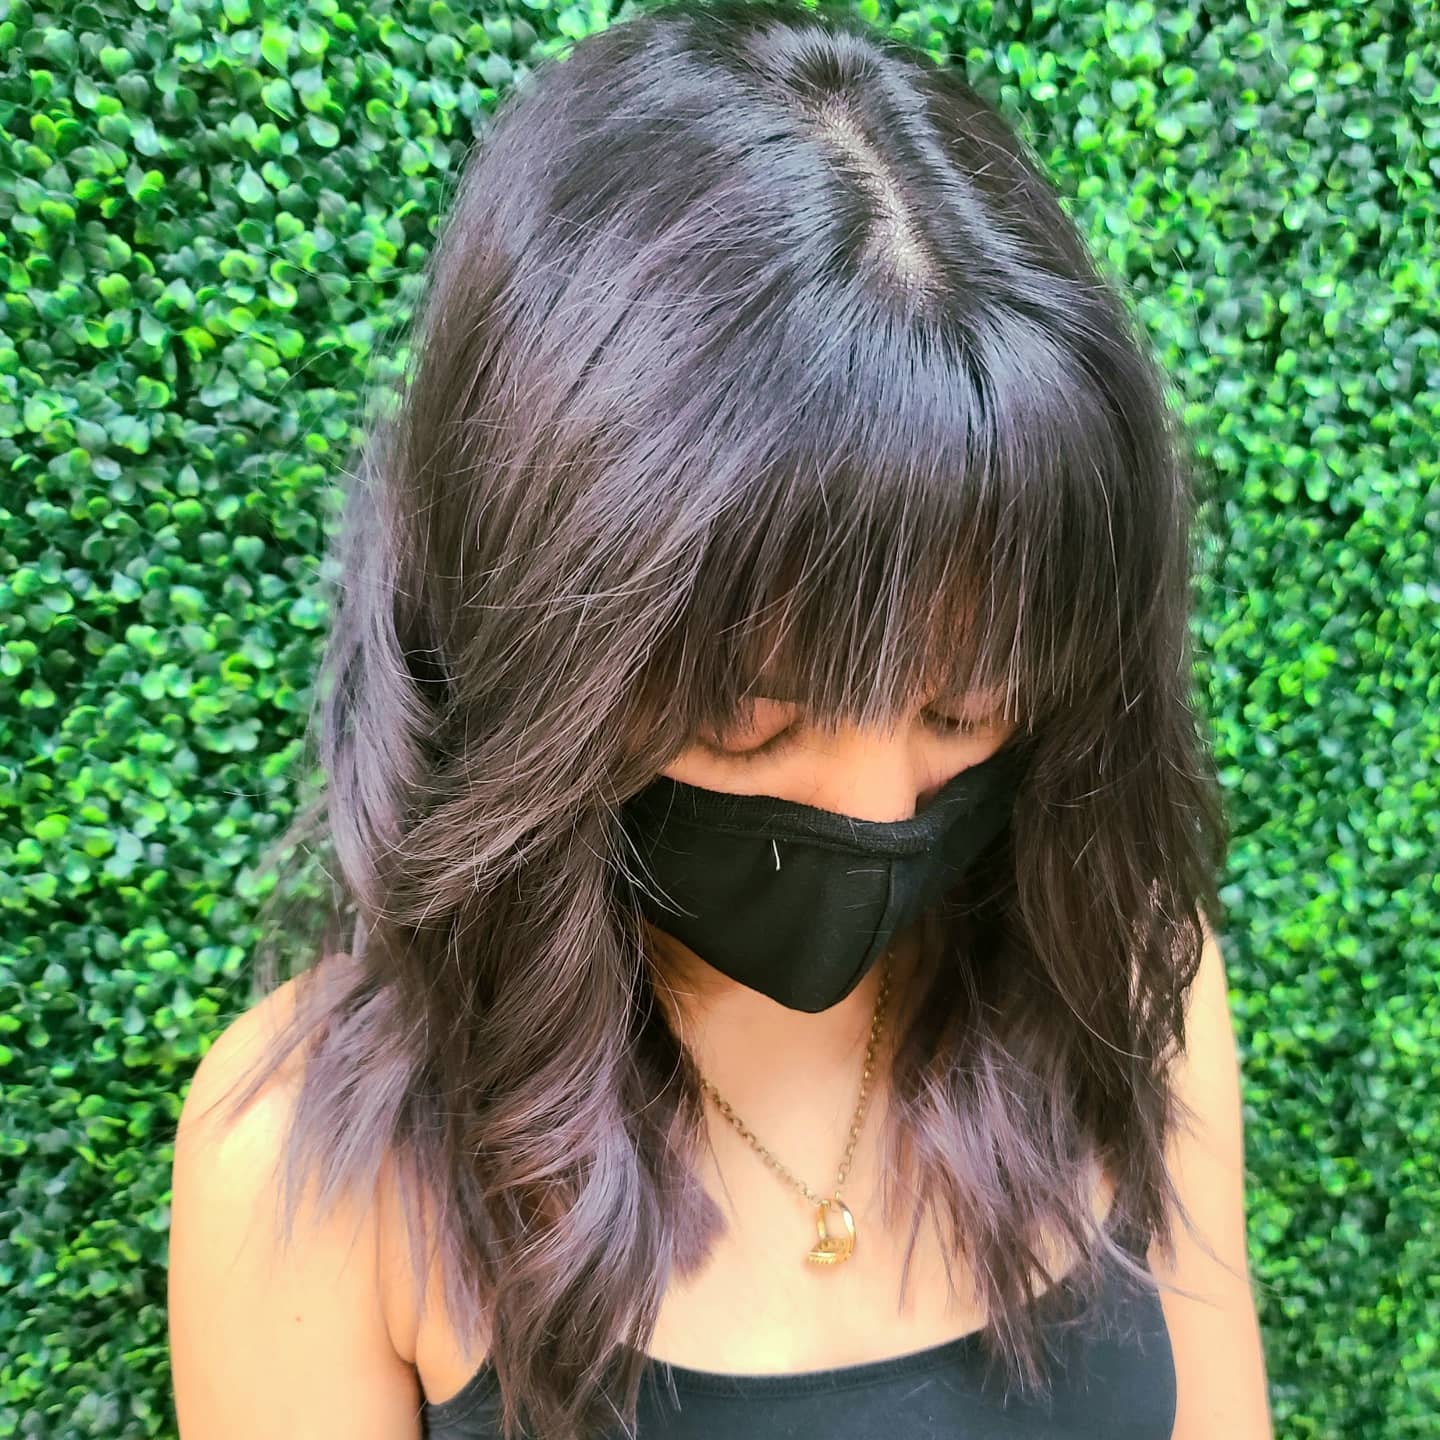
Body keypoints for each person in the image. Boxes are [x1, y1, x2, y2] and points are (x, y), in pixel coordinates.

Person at [166, 2, 1274, 1437]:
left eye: (965, 703)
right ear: (541, 645)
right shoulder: (314, 1160)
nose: (880, 810)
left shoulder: (1120, 977)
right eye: (752, 724)